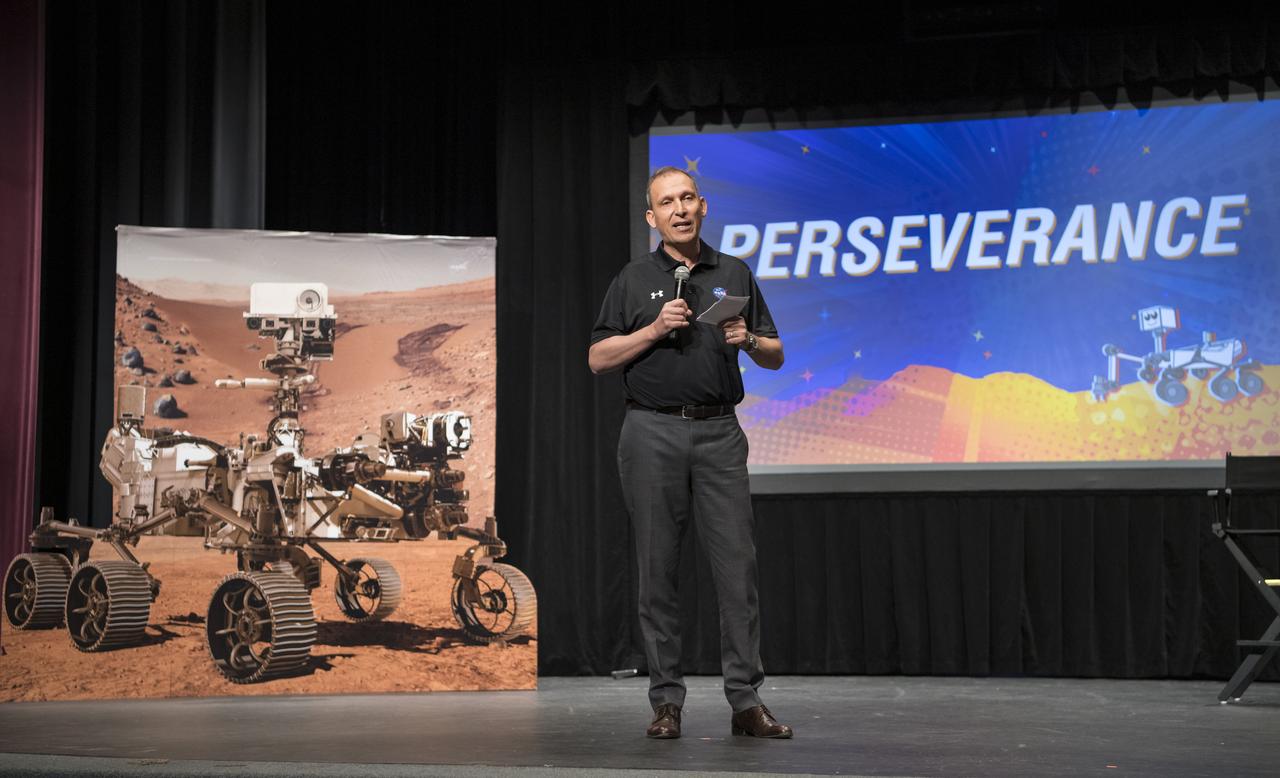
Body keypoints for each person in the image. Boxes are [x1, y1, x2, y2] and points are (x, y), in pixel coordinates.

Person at [588, 166, 792, 740]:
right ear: (651, 218)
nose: (678, 210)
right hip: (651, 433)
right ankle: (666, 701)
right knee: (658, 571)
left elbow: (775, 353)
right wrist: (653, 330)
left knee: (738, 571)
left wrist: (748, 340)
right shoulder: (632, 279)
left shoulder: (733, 272)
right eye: (665, 203)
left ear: (703, 206)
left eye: (687, 199)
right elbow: (599, 359)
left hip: (719, 433)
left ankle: (746, 701)